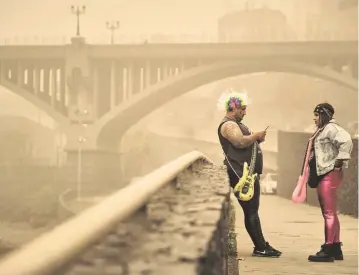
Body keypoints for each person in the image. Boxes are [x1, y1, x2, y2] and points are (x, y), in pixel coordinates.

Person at [217, 91, 282, 257]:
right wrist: (256, 136)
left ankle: (261, 245)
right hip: (241, 174)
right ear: (233, 109)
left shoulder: (235, 124)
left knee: (252, 210)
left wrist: (256, 139)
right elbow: (239, 142)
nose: (245, 113)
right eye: (242, 109)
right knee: (251, 210)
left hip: (247, 173)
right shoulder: (228, 125)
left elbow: (244, 141)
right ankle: (260, 248)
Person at [300, 103, 353, 262]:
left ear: (325, 115)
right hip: (326, 173)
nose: (314, 118)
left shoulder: (331, 129)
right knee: (330, 212)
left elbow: (347, 141)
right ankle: (335, 247)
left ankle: (328, 248)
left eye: (317, 115)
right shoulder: (324, 129)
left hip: (328, 173)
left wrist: (339, 161)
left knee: (328, 213)